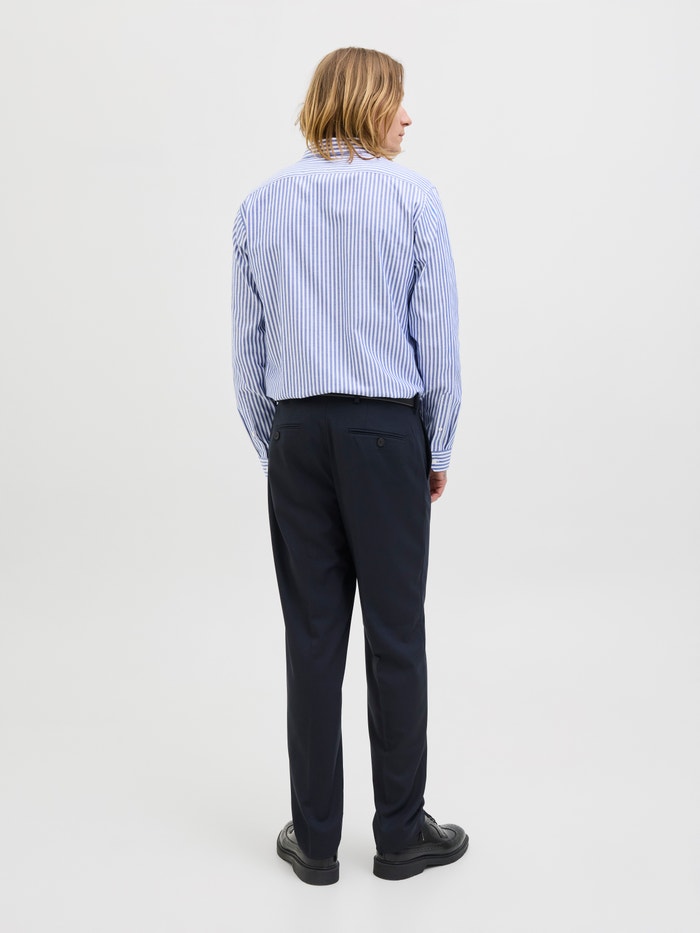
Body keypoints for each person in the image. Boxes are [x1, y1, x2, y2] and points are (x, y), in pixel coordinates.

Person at [230, 46, 467, 884]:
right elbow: (437, 343)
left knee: (312, 637)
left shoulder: (260, 206)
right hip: (385, 434)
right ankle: (400, 835)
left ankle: (317, 840)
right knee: (395, 636)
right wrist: (436, 444)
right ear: (366, 103)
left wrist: (285, 445)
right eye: (397, 100)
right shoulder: (412, 199)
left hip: (297, 438)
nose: (408, 116)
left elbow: (248, 359)